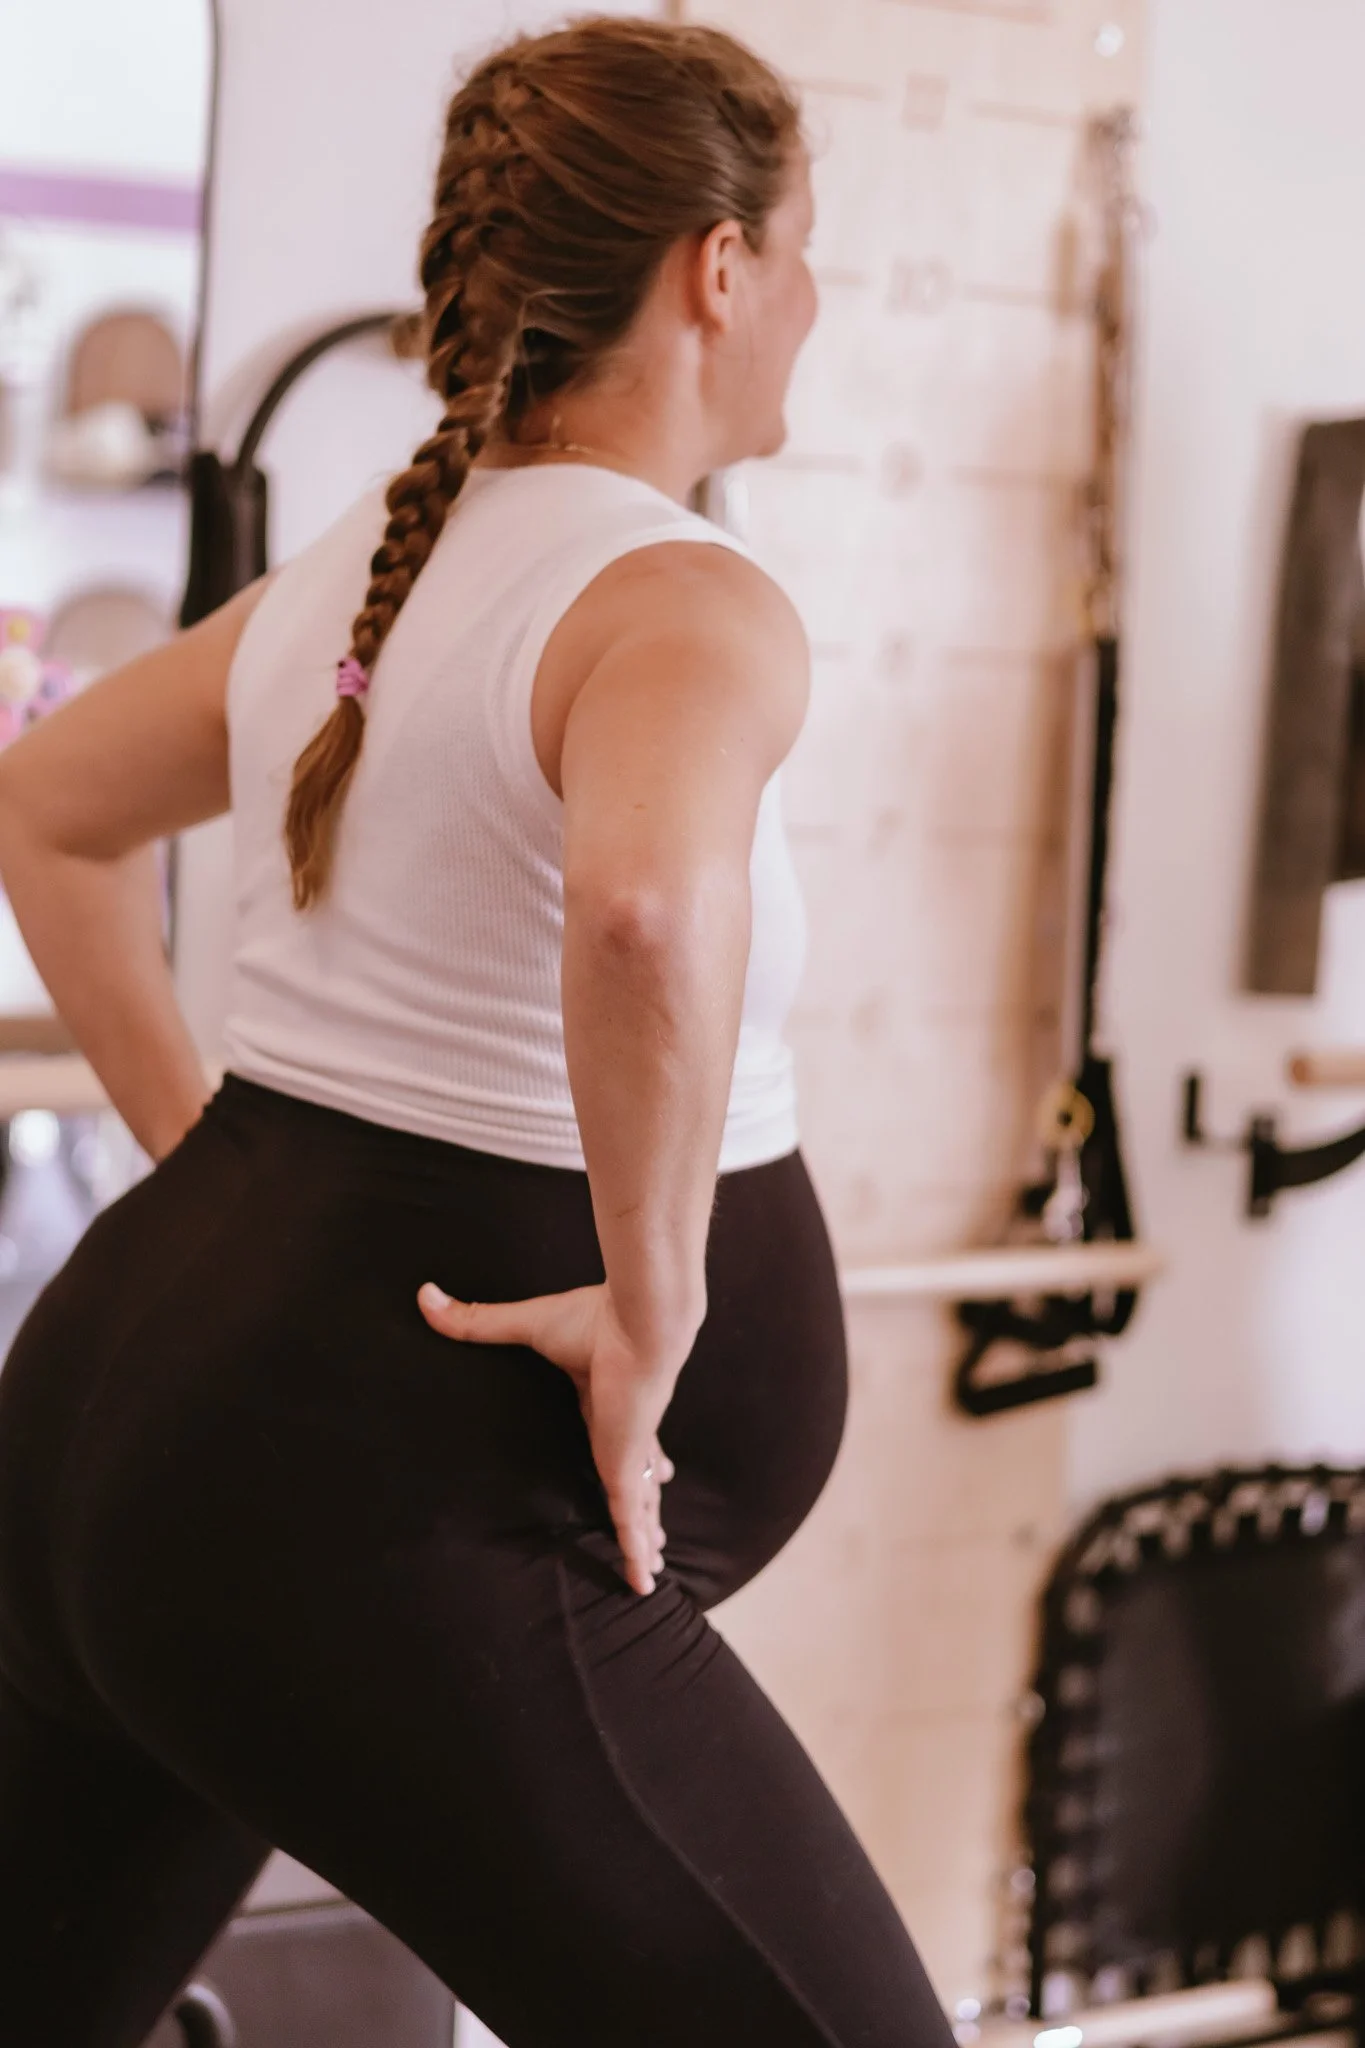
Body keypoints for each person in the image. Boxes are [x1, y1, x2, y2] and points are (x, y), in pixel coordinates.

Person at [0, 17, 955, 2047]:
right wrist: (655, 1296)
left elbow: (46, 807)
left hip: (117, 1421)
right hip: (366, 1511)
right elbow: (638, 903)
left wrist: (211, 1176)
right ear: (717, 266)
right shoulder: (684, 597)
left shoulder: (361, 570)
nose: (813, 299)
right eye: (802, 248)